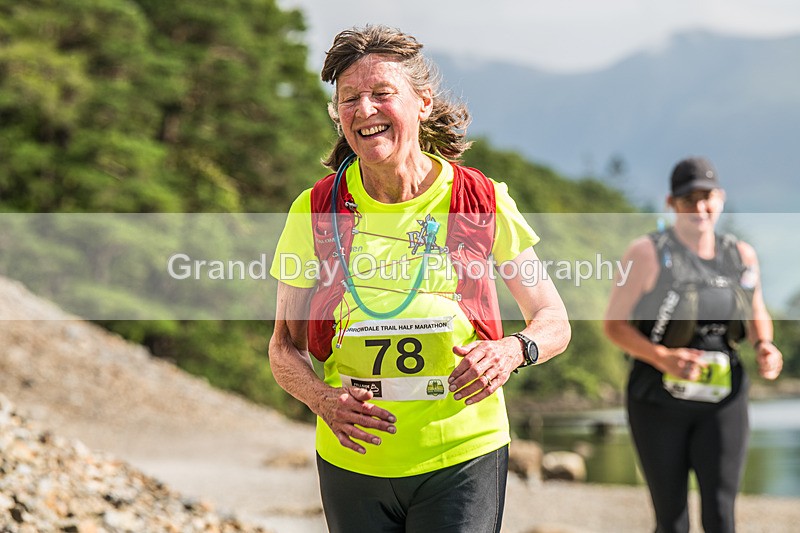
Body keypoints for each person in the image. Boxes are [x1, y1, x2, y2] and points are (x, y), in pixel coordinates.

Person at [268, 25, 570, 533]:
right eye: (349, 100)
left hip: (463, 453)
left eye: (382, 94)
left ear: (422, 103)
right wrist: (322, 400)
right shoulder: (315, 210)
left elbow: (553, 319)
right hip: (355, 459)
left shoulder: (479, 200)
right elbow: (282, 348)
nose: (364, 110)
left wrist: (512, 350)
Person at [603, 156, 783, 533]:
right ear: (671, 204)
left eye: (706, 198)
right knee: (672, 520)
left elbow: (756, 309)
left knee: (721, 514)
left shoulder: (740, 254)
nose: (699, 208)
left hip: (723, 401)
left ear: (720, 198)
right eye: (688, 200)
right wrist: (662, 357)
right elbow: (614, 326)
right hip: (657, 401)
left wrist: (764, 344)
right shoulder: (646, 253)